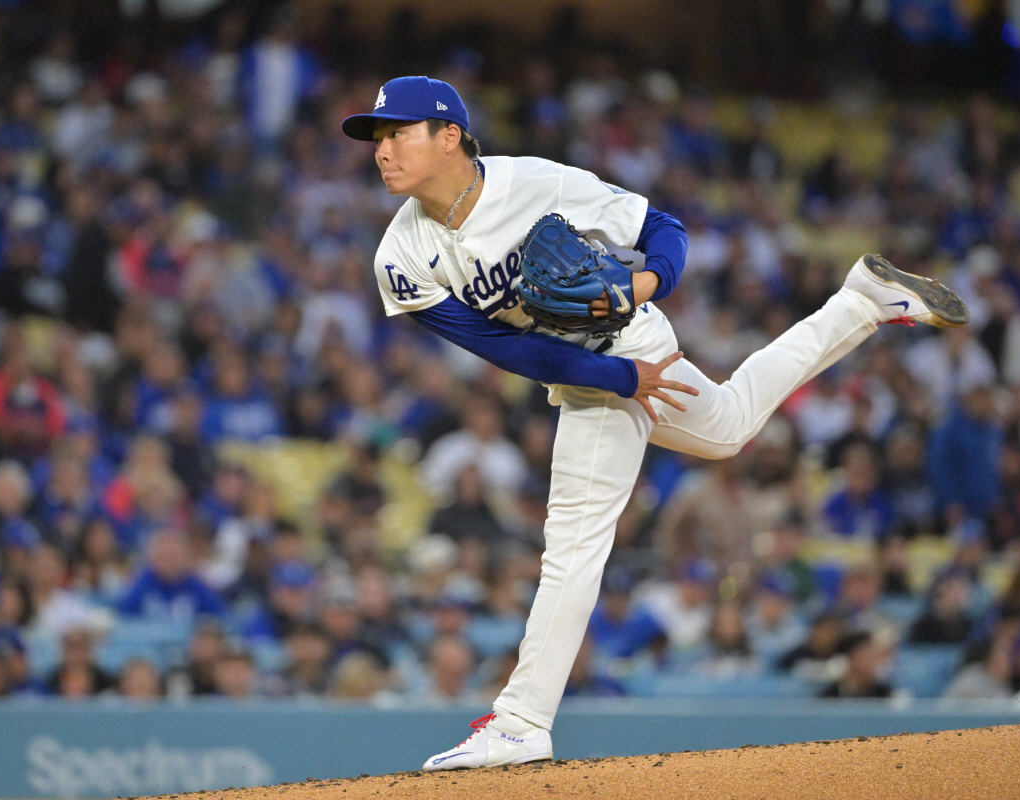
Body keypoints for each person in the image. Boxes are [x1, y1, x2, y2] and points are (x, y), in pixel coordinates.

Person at [341, 75, 969, 771]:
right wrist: (621, 380)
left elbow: (661, 231)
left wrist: (636, 289)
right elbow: (501, 345)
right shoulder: (398, 257)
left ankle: (520, 721)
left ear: (450, 136)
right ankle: (861, 303)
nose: (382, 149)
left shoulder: (536, 184)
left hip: (626, 345)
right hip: (605, 370)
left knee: (574, 542)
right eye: (378, 136)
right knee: (728, 426)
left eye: (397, 132)